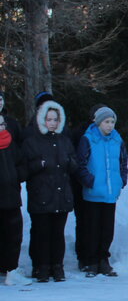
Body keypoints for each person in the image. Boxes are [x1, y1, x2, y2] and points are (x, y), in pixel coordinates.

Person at [21, 99, 78, 282]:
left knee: (57, 234)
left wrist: (70, 163)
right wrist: (39, 164)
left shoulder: (64, 141)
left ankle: (57, 266)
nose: (52, 122)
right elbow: (24, 168)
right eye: (49, 119)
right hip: (41, 194)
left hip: (61, 195)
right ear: (42, 120)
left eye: (55, 119)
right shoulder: (32, 142)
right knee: (41, 233)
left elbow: (74, 163)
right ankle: (41, 267)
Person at [75, 106, 128, 277]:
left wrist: (121, 180)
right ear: (98, 123)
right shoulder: (88, 139)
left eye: (112, 122)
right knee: (92, 228)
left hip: (110, 192)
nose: (110, 125)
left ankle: (103, 260)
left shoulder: (117, 140)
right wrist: (89, 181)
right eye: (106, 122)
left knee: (107, 229)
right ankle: (91, 261)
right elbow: (80, 164)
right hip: (93, 192)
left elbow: (123, 163)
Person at [0, 111, 25, 285]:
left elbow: (23, 165)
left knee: (14, 236)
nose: (1, 128)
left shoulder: (12, 144)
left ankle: (11, 270)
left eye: (2, 125)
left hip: (12, 197)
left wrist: (16, 176)